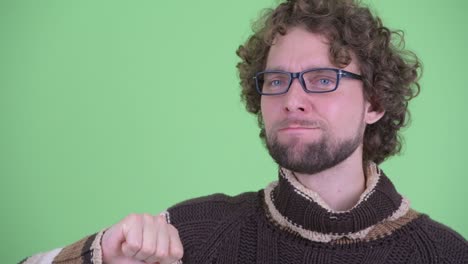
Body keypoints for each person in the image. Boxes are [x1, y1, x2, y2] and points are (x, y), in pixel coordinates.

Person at [21, 0, 467, 263]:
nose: (292, 98)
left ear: (375, 103)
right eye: (276, 81)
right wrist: (103, 255)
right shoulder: (190, 237)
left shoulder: (447, 255)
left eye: (322, 78)